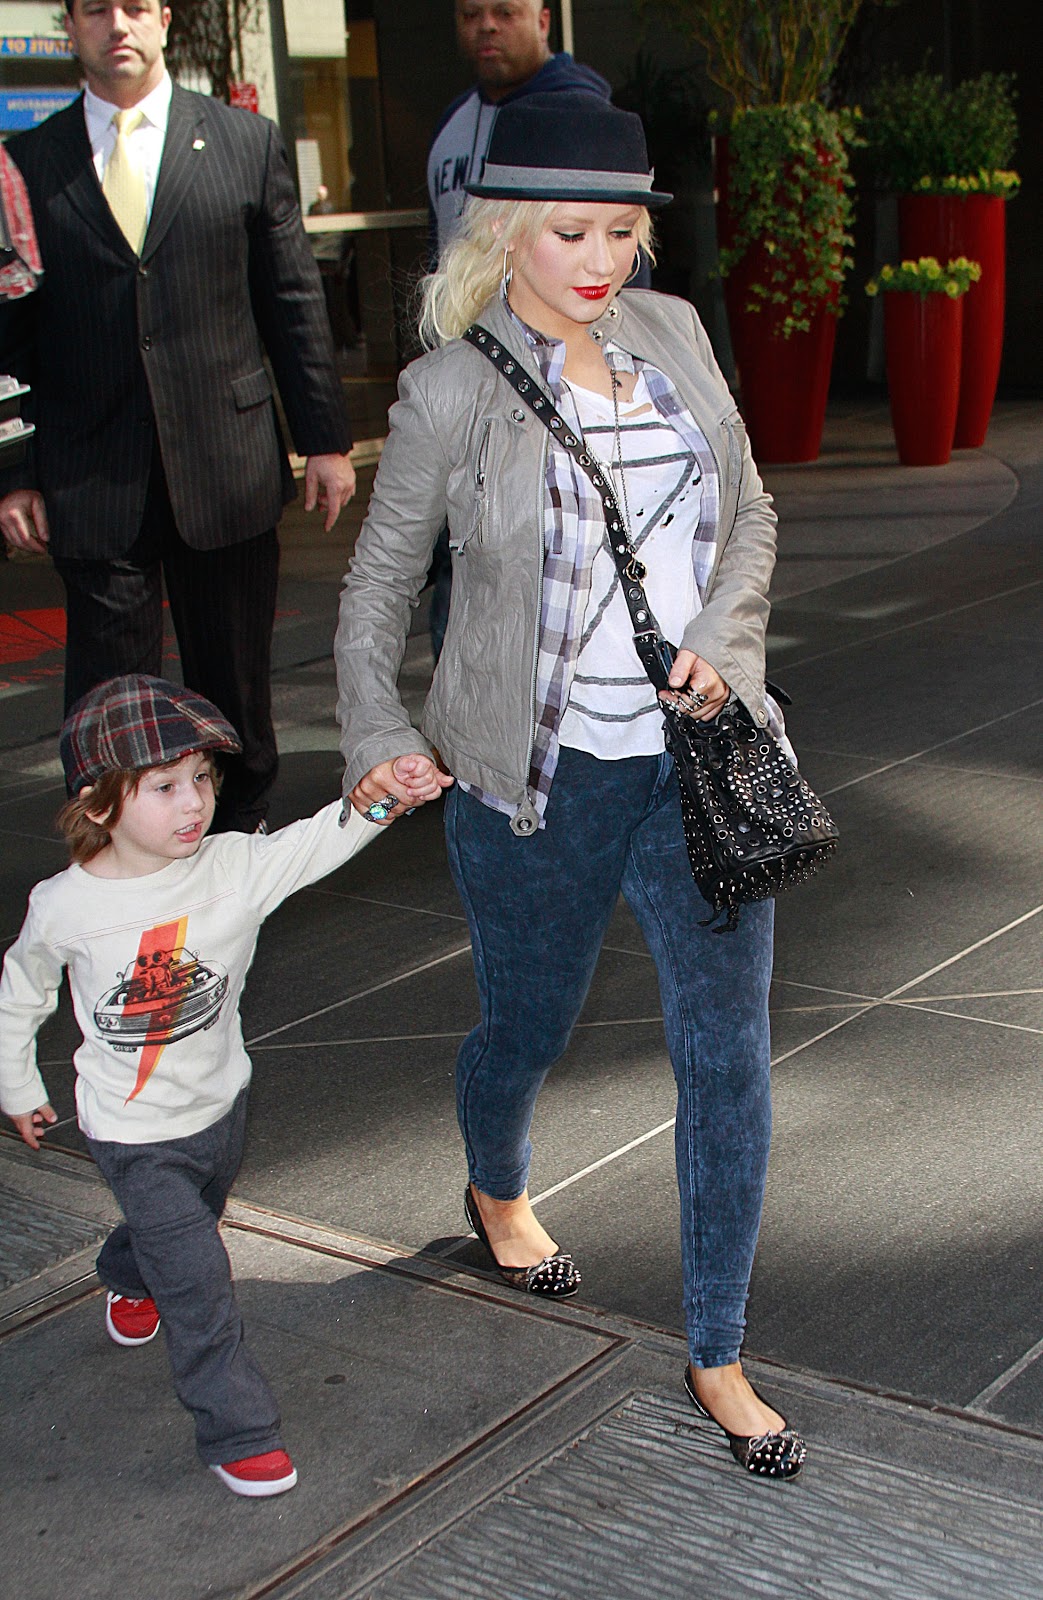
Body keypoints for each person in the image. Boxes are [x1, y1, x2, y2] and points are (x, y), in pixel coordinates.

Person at [337, 96, 807, 1479]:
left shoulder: (673, 336)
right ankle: (495, 1184)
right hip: (532, 782)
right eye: (570, 231)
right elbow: (373, 592)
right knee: (525, 1026)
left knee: (724, 1055)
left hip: (696, 770)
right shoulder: (449, 392)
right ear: (502, 230)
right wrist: (371, 727)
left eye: (621, 229)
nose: (602, 258)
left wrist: (724, 643)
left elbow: (753, 510)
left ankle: (715, 1347)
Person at [0, 674, 436, 1495]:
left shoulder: (231, 868)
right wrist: (16, 1083)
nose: (193, 802)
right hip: (127, 1130)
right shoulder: (63, 905)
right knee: (198, 1277)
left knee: (187, 1225)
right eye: (163, 787)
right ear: (98, 804)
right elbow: (20, 992)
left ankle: (129, 1271)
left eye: (201, 779)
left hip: (219, 1108)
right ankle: (238, 1430)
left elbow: (315, 842)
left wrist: (380, 800)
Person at [0, 0, 355, 834]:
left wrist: (325, 441)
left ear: (162, 18)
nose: (116, 24)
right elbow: (7, 333)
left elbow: (292, 299)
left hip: (224, 464)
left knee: (232, 675)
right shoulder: (26, 163)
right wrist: (14, 474)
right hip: (91, 472)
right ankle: (116, 850)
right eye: (95, 9)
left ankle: (238, 838)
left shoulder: (242, 143)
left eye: (133, 6)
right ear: (71, 26)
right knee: (108, 691)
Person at [425, 1, 612, 661]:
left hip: (561, 393)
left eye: (504, 11)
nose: (485, 26)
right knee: (467, 565)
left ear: (542, 17)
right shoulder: (453, 125)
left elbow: (618, 270)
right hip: (472, 391)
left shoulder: (581, 114)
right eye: (471, 12)